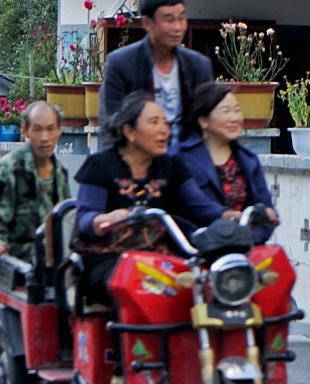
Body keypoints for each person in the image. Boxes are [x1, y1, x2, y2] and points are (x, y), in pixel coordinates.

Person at [73, 91, 227, 301]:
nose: (164, 129)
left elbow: (200, 206)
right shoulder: (100, 165)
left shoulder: (172, 165)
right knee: (137, 285)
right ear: (129, 131)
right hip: (108, 257)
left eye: (165, 122)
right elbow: (84, 218)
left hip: (159, 256)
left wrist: (231, 216)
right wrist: (106, 219)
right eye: (154, 122)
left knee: (206, 281)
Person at [100, 0, 213, 145]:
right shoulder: (121, 63)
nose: (177, 27)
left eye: (181, 18)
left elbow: (208, 116)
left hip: (186, 157)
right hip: (139, 154)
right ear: (147, 23)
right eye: (169, 20)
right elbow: (111, 122)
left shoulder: (198, 65)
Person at [0, 101, 73, 269]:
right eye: (37, 129)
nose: (44, 137)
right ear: (25, 130)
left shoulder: (60, 173)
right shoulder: (8, 169)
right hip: (20, 265)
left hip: (55, 264)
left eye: (50, 129)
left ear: (59, 130)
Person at [177, 81, 280, 245]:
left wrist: (244, 240)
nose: (234, 118)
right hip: (195, 251)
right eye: (225, 111)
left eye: (237, 110)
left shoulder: (249, 160)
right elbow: (185, 211)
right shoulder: (180, 158)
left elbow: (268, 215)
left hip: (242, 250)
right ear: (203, 120)